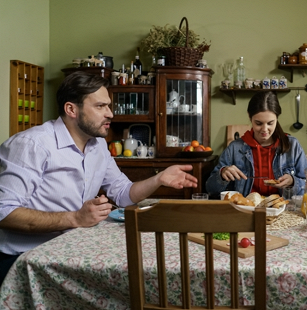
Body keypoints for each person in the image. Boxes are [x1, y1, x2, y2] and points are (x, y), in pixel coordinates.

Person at [0, 71, 198, 285]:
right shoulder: (31, 144)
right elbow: (4, 212)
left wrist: (159, 179)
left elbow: (122, 194)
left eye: (109, 106)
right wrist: (75, 218)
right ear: (71, 109)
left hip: (69, 251)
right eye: (100, 106)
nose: (110, 114)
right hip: (23, 261)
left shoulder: (98, 145)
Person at [206, 91, 307, 198]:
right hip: (245, 210)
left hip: (282, 209)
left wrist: (293, 182)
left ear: (277, 119)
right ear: (250, 117)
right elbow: (210, 189)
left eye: (270, 123)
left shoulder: (293, 146)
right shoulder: (234, 148)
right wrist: (222, 175)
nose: (264, 129)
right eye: (258, 123)